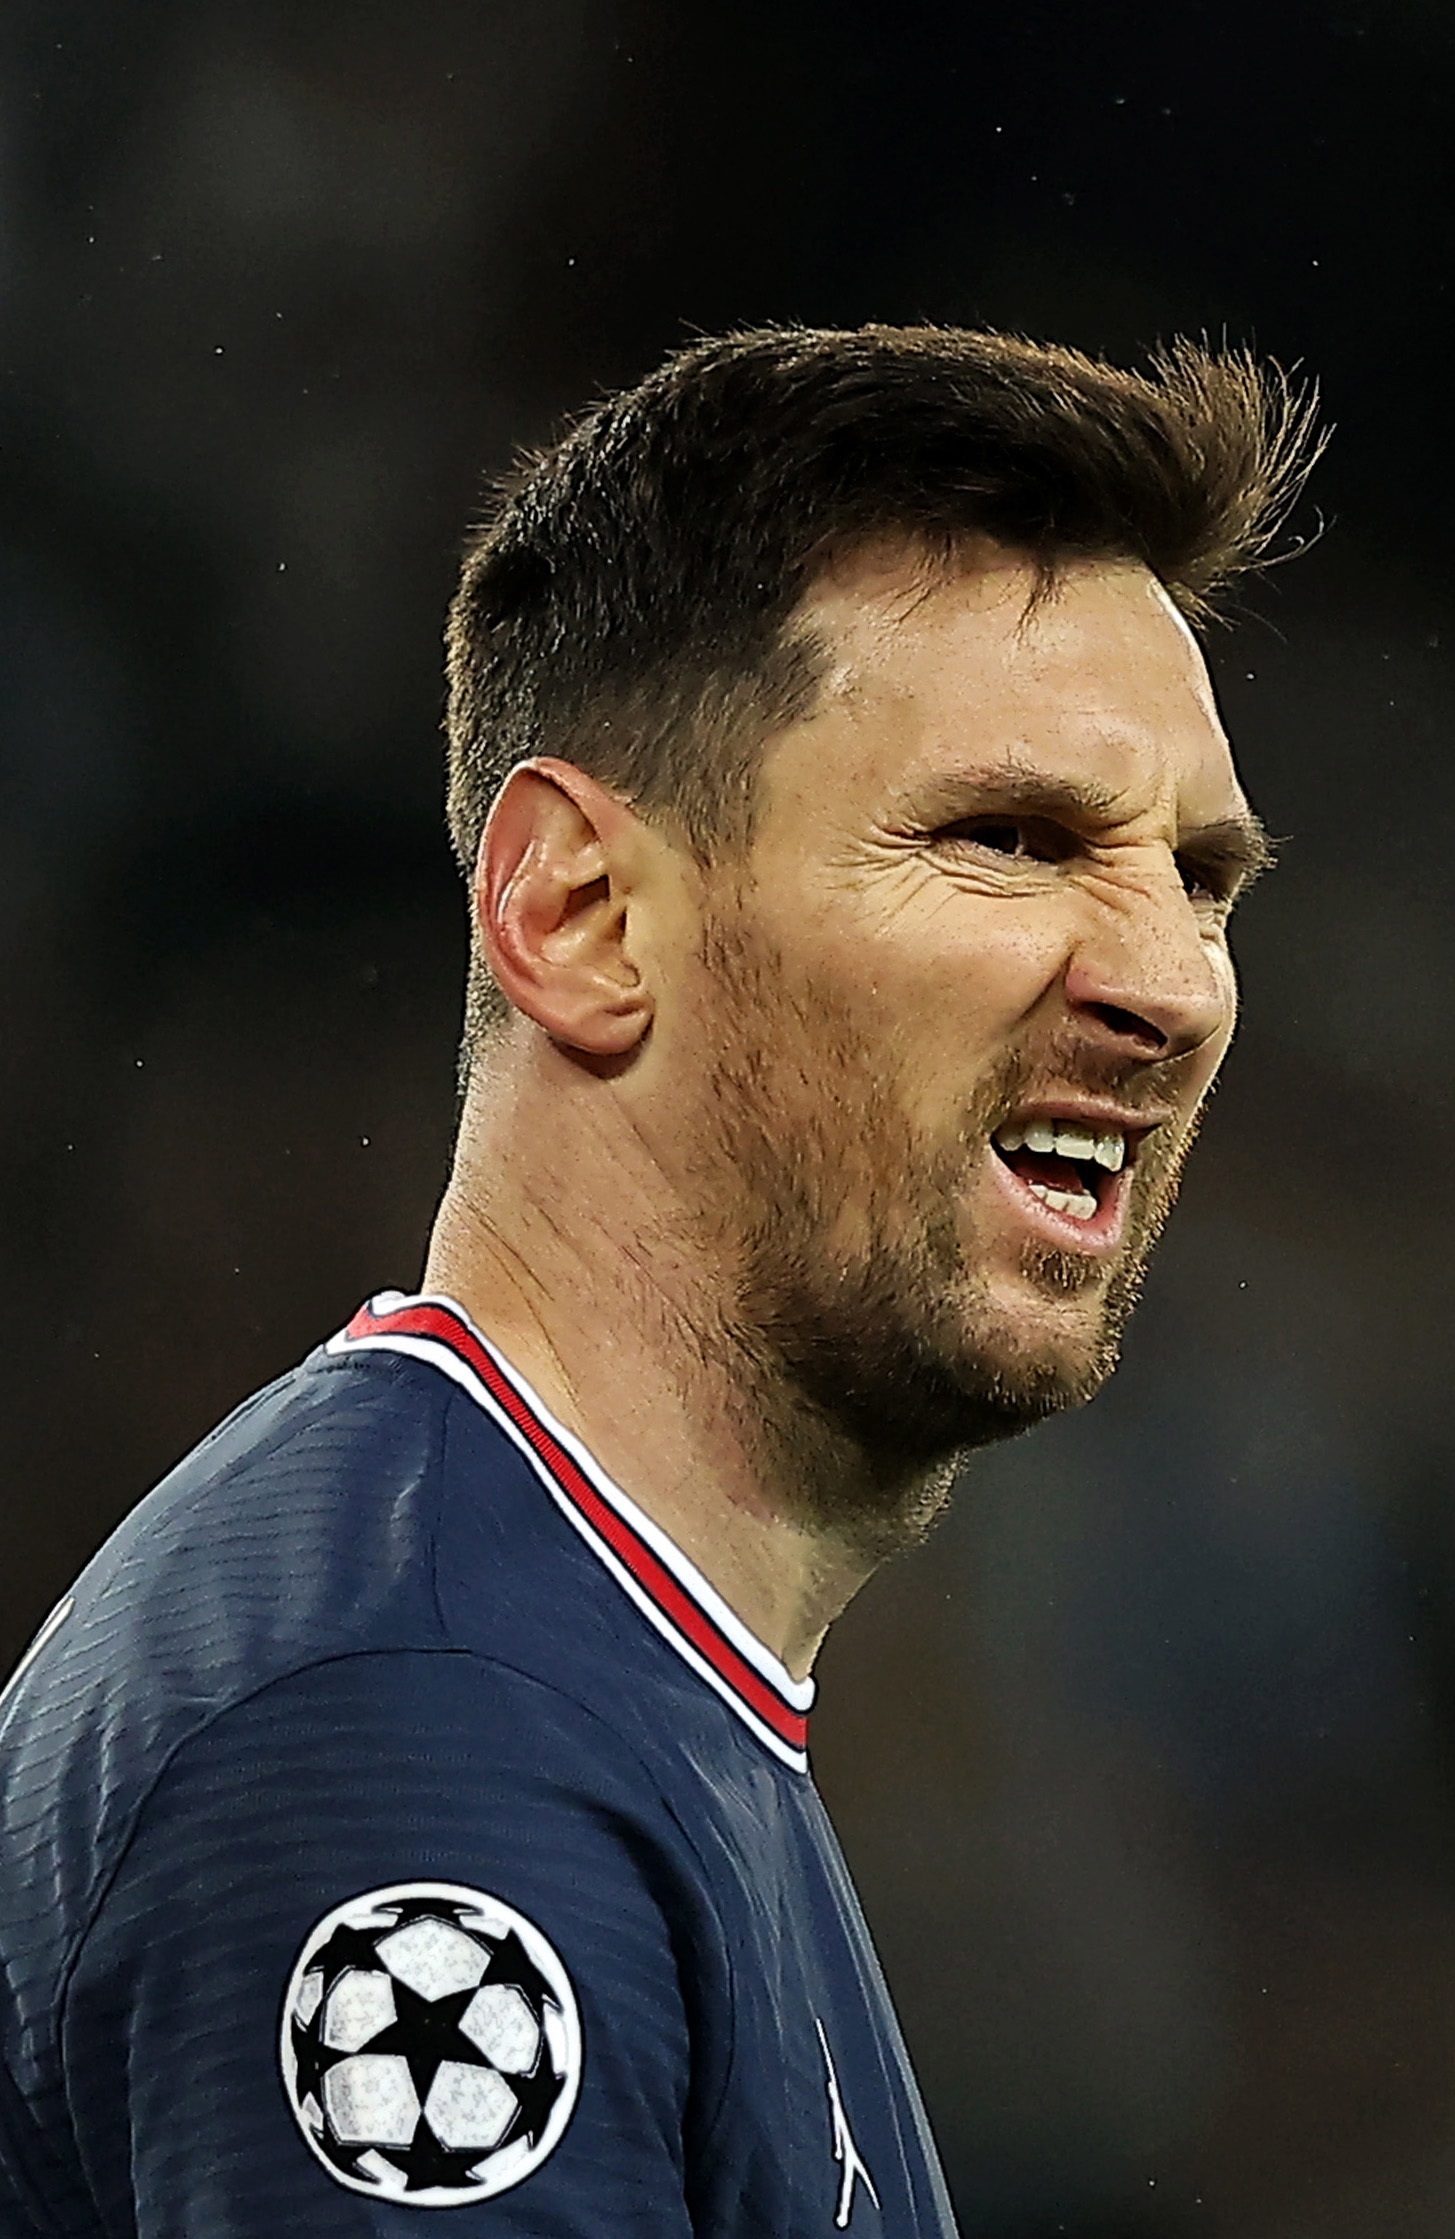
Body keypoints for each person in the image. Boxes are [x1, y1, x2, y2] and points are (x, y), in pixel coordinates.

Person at [0, 325, 1321, 2235]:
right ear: (578, 916)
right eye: (1009, 838)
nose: (1174, 987)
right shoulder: (422, 1739)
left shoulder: (586, 1674)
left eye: (1200, 879)